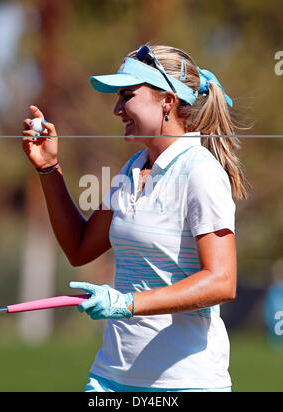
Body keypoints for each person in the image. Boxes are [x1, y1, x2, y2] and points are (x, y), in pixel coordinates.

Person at [22, 44, 248, 392]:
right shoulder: (133, 168)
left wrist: (127, 304)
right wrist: (50, 168)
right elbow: (80, 249)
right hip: (110, 378)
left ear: (167, 101)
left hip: (184, 383)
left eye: (126, 96)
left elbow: (222, 281)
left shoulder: (201, 172)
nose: (116, 109)